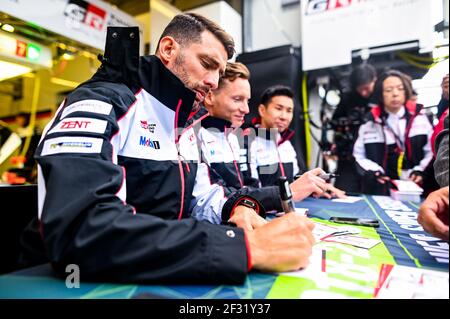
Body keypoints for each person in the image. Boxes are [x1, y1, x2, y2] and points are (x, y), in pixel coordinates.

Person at [28, 14, 315, 284]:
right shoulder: (103, 101)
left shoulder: (184, 123)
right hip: (67, 282)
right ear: (168, 49)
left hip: (153, 273)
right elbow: (80, 230)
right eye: (207, 63)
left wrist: (236, 209)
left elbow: (202, 199)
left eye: (219, 71)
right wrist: (245, 247)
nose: (214, 81)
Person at [197, 63, 341, 222]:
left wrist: (312, 186)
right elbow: (216, 200)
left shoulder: (232, 137)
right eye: (238, 99)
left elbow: (240, 192)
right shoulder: (201, 136)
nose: (245, 109)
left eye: (289, 110)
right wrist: (284, 193)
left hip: (247, 218)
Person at [353, 70, 433, 195]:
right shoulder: (369, 123)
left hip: (417, 189)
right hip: (381, 190)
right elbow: (358, 156)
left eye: (400, 89)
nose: (395, 94)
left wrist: (420, 171)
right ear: (380, 95)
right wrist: (375, 172)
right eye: (388, 90)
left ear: (406, 91)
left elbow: (432, 151)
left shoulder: (421, 118)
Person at [331, 63, 377, 193]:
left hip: (372, 155)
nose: (364, 93)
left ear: (375, 80)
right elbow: (334, 121)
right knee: (344, 192)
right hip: (348, 157)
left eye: (367, 88)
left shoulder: (380, 96)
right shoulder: (347, 98)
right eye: (360, 89)